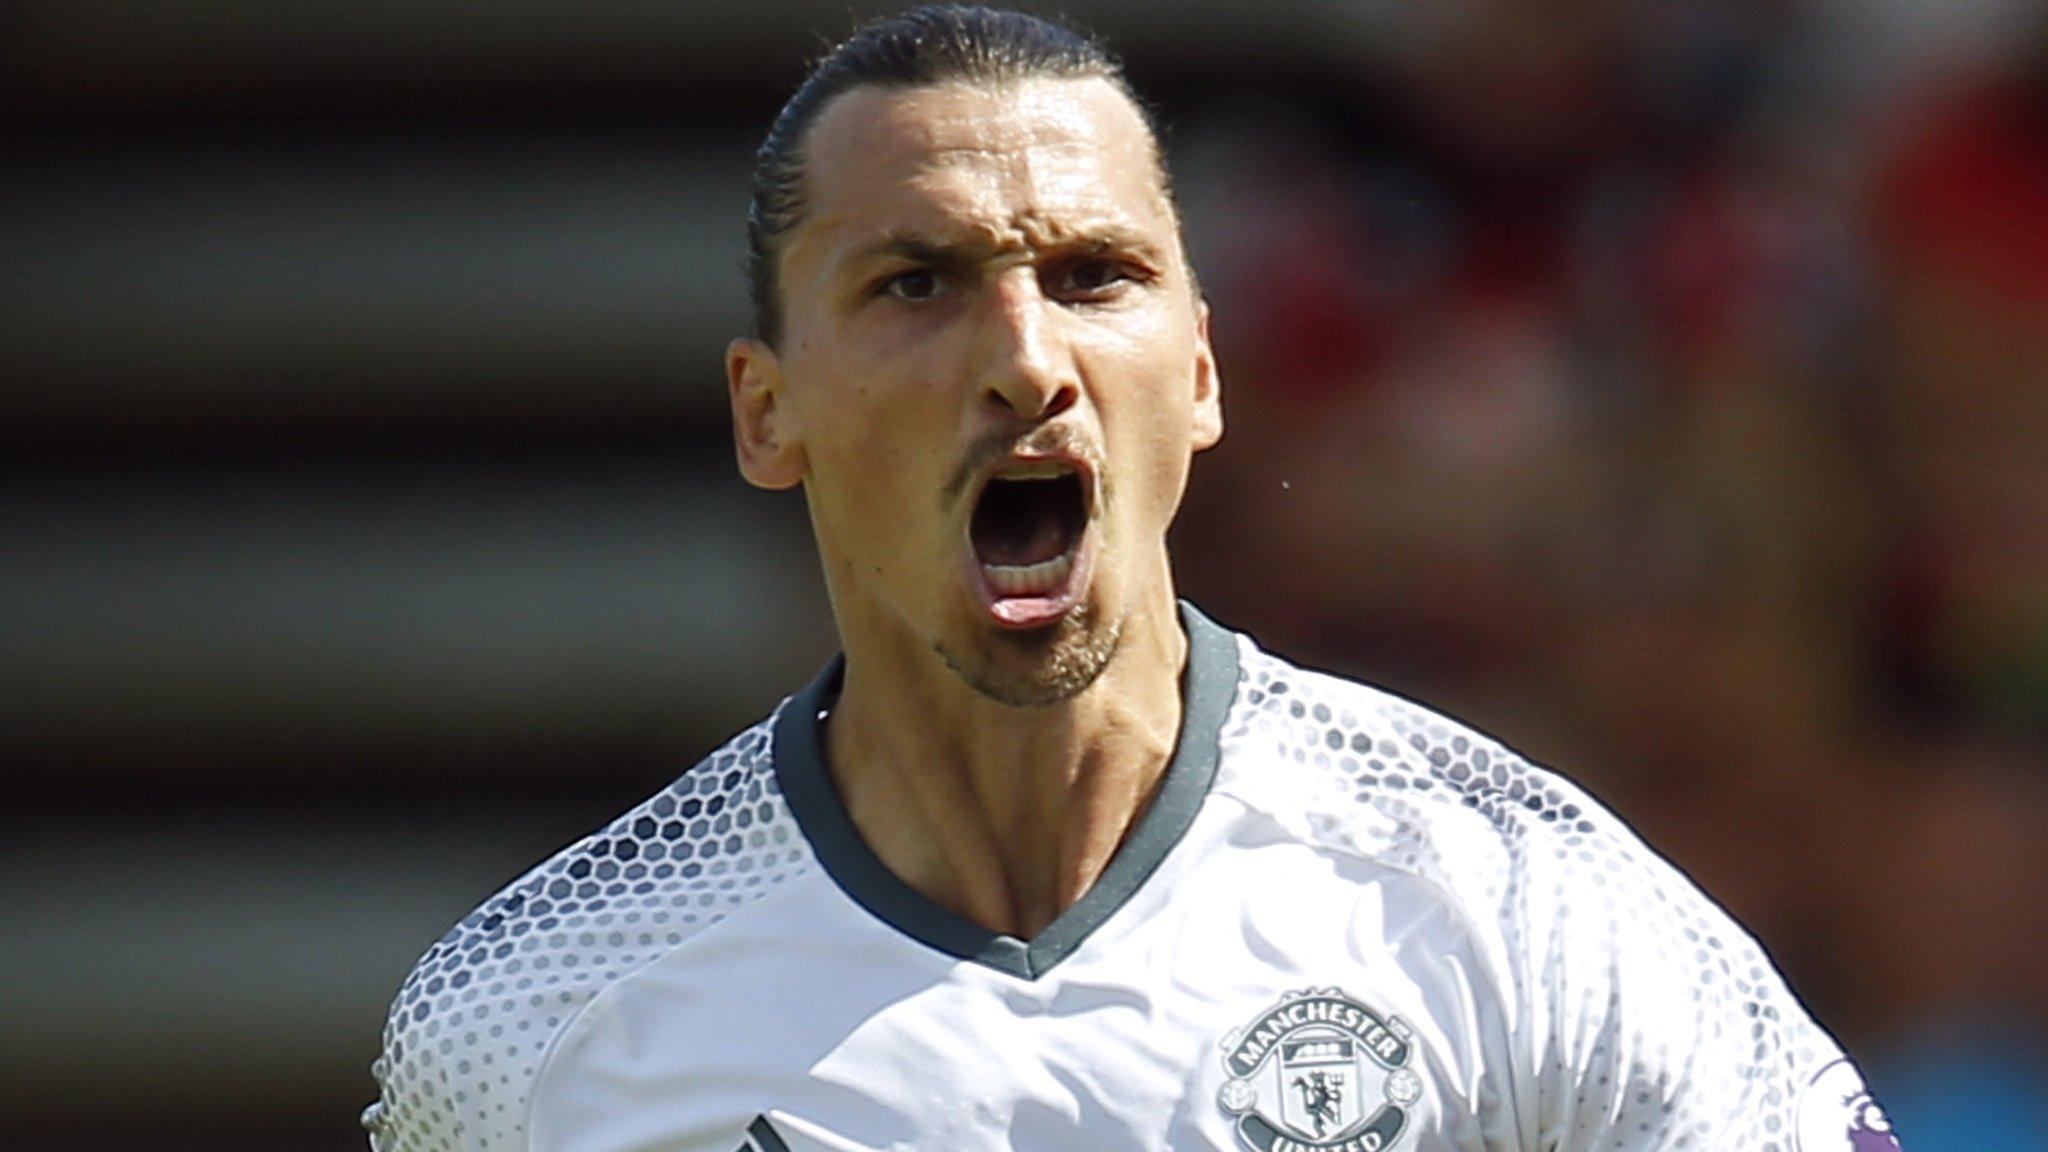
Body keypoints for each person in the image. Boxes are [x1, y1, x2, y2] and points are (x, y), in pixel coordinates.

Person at [362, 7, 1902, 1151]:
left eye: (1094, 278)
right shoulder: (537, 1021)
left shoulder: (1511, 900)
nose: (1029, 360)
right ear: (769, 412)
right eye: (918, 284)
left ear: (1208, 373)